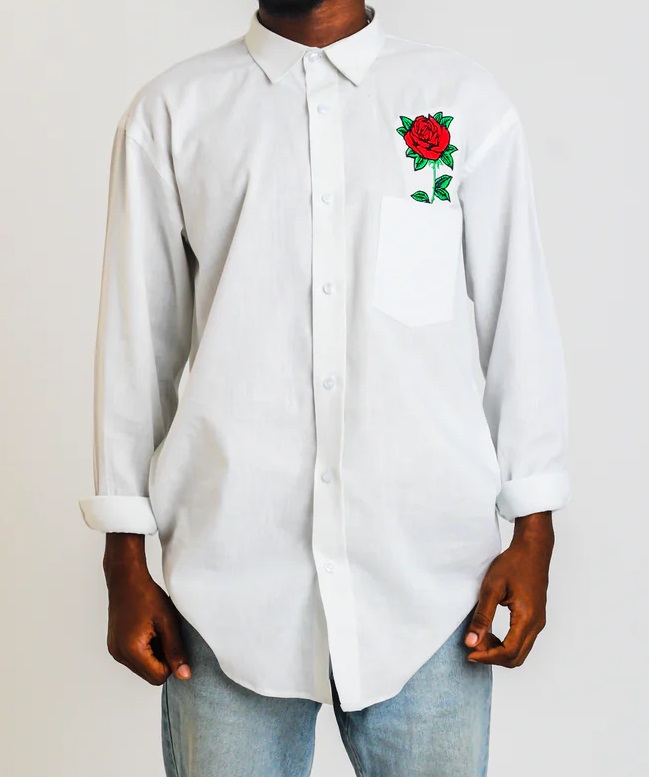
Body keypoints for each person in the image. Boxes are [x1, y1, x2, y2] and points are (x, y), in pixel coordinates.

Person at [78, 1, 571, 775]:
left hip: (430, 584)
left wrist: (533, 527)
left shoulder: (461, 101)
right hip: (227, 584)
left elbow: (519, 320)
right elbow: (137, 342)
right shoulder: (172, 112)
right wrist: (123, 554)